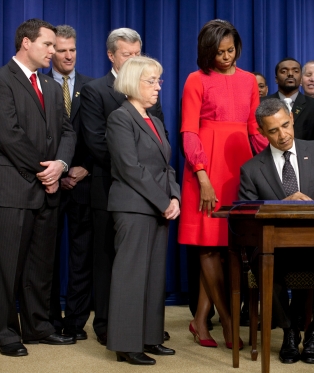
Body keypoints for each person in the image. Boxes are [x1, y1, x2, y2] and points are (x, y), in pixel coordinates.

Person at [239, 98, 314, 364]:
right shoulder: (251, 169)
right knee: (263, 265)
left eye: (285, 125)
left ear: (292, 120)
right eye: (273, 130)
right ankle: (289, 331)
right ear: (262, 132)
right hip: (276, 250)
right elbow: (244, 214)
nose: (282, 135)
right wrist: (277, 205)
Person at [178, 19, 267, 349]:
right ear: (207, 51)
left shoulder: (247, 81)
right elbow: (189, 131)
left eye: (231, 50)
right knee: (209, 245)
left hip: (239, 167)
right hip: (205, 168)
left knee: (229, 247)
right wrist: (202, 176)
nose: (227, 57)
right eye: (220, 52)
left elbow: (256, 130)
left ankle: (200, 320)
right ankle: (228, 321)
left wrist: (275, 162)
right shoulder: (196, 80)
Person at [80, 28, 167, 346]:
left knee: (150, 270)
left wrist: (169, 194)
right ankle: (109, 326)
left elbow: (162, 149)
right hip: (117, 190)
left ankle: (146, 330)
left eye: (137, 53)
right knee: (111, 262)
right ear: (112, 56)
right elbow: (102, 146)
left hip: (152, 195)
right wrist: (151, 186)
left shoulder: (151, 104)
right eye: (128, 54)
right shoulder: (99, 93)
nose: (134, 59)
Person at [0, 18, 76, 357]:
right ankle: (4, 332)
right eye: (48, 44)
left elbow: (67, 131)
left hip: (49, 188)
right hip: (15, 188)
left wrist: (60, 165)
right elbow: (8, 134)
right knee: (8, 265)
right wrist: (42, 170)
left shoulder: (48, 85)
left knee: (41, 264)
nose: (53, 51)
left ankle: (37, 326)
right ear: (26, 43)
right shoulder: (3, 80)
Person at [105, 56, 180, 365]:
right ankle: (125, 344)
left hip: (159, 208)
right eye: (152, 81)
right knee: (131, 277)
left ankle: (149, 338)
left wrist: (174, 197)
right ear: (133, 83)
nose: (157, 87)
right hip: (134, 208)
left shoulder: (155, 120)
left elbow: (167, 167)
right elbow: (129, 168)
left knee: (152, 278)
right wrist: (163, 203)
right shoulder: (120, 118)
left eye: (159, 81)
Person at [46, 24, 94, 341]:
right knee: (47, 256)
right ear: (51, 53)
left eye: (72, 50)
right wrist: (58, 171)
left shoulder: (92, 87)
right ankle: (48, 320)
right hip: (47, 183)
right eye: (61, 50)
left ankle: (76, 320)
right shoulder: (39, 85)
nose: (68, 56)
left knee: (82, 257)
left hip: (84, 183)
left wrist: (84, 168)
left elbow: (100, 137)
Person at [263, 58, 314, 141]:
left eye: (296, 71)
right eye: (284, 71)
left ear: (301, 78)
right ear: (276, 79)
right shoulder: (262, 104)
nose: (290, 74)